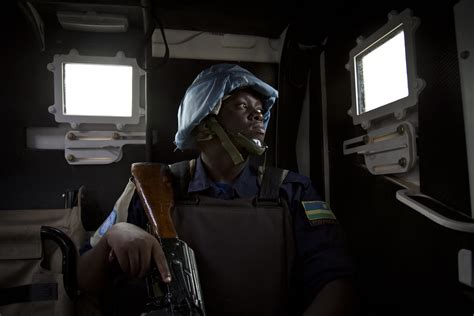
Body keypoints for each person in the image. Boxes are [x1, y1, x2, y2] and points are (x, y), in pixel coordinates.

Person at [78, 63, 355, 316]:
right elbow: (83, 278)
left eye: (259, 108)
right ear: (204, 122)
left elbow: (336, 281)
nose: (258, 113)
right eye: (241, 105)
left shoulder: (292, 191)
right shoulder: (154, 187)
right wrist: (115, 235)